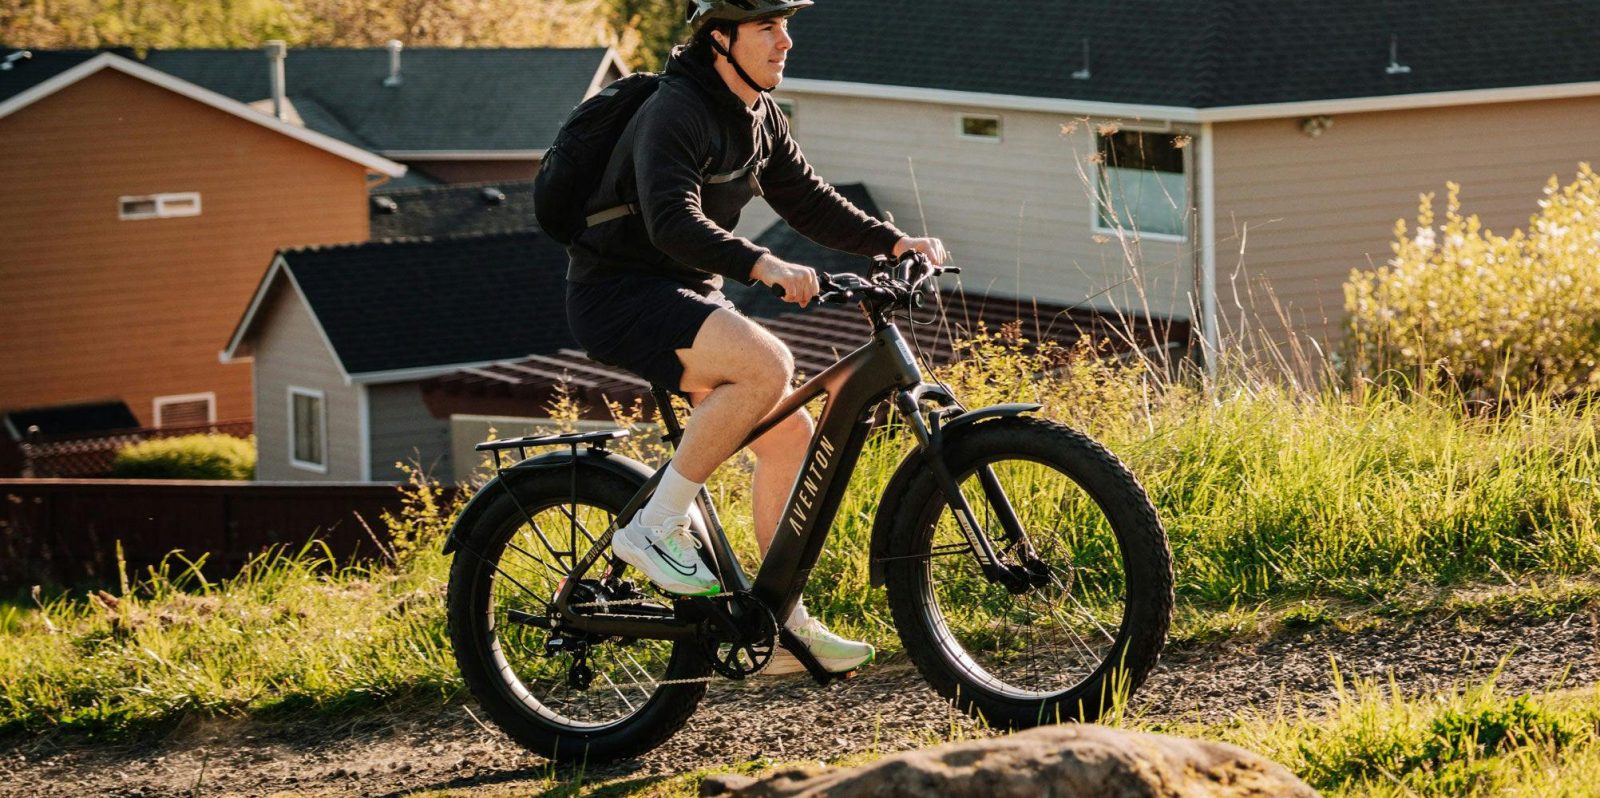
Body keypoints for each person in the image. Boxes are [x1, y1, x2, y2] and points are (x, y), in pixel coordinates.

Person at [565, 0, 946, 675]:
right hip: (619, 295)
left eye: (785, 25)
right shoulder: (676, 110)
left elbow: (806, 199)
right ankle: (654, 527)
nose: (785, 41)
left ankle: (778, 624)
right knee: (768, 363)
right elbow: (670, 221)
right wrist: (762, 264)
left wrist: (892, 243)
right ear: (720, 38)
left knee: (792, 434)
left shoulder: (759, 114)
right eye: (767, 27)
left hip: (685, 292)